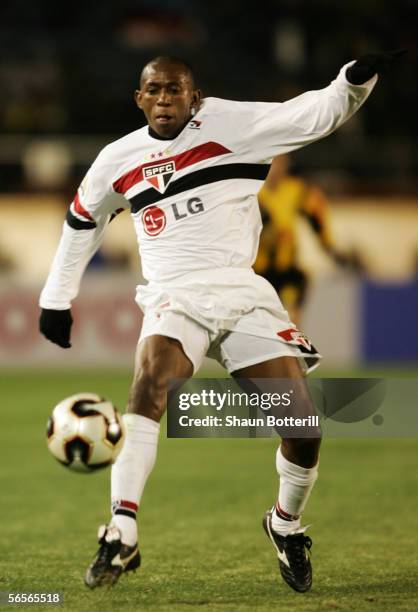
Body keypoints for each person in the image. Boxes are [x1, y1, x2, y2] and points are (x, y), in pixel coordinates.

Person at [39, 51, 402, 593]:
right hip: (173, 296)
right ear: (139, 98)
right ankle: (122, 529)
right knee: (149, 384)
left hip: (240, 292)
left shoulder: (235, 125)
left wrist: (354, 79)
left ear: (195, 96)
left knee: (303, 430)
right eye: (154, 90)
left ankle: (284, 523)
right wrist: (56, 296)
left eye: (176, 90)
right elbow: (82, 220)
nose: (165, 99)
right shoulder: (118, 158)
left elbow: (315, 113)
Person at [255, 154, 363, 326]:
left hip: (288, 268)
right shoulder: (252, 191)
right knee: (261, 324)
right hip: (257, 271)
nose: (276, 167)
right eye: (273, 161)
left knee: (292, 320)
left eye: (281, 162)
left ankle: (294, 349)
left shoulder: (296, 190)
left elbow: (317, 221)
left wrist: (331, 249)